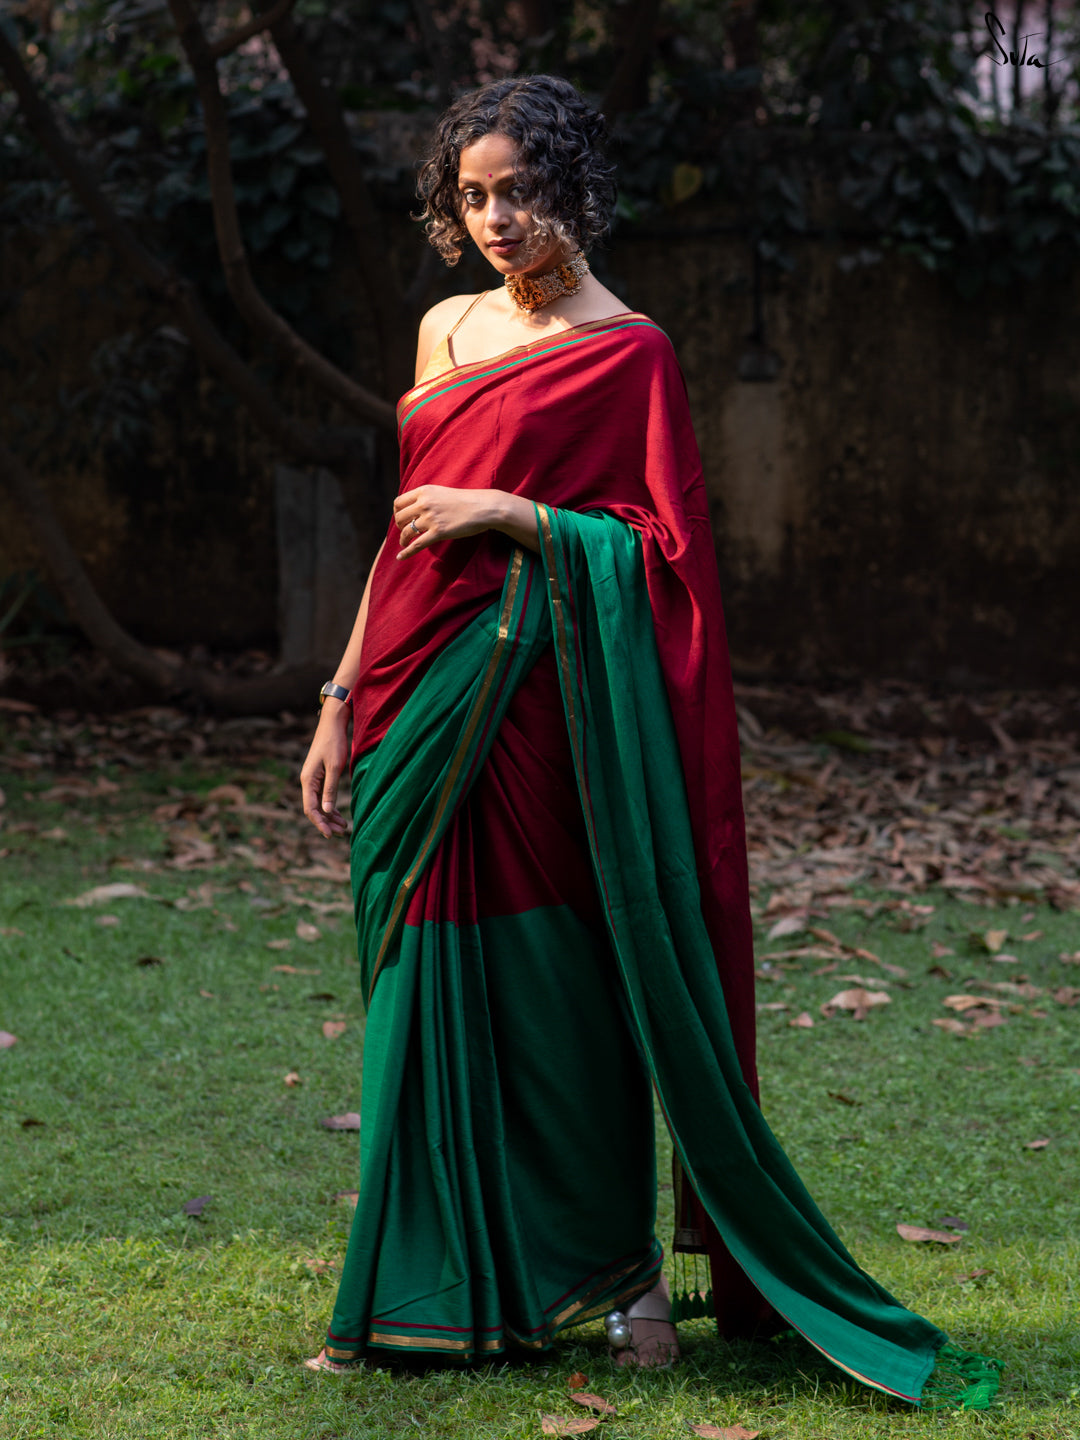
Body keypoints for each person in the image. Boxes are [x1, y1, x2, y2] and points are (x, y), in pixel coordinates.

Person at [297, 74, 1001, 1407]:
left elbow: (667, 563)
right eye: (475, 196)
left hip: (538, 708)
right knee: (415, 1001)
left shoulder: (632, 350)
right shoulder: (443, 329)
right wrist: (337, 700)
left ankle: (618, 1276)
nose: (499, 218)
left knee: (562, 993)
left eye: (521, 191)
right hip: (405, 698)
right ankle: (421, 1290)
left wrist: (518, 516)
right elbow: (402, 536)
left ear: (574, 191)